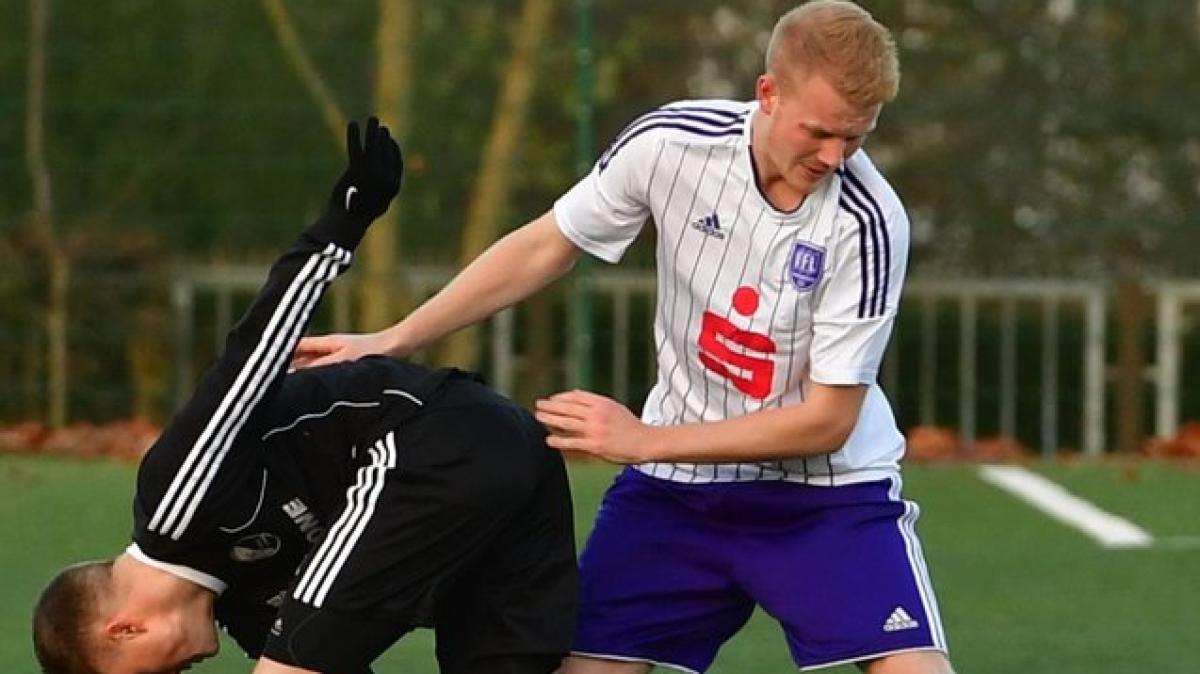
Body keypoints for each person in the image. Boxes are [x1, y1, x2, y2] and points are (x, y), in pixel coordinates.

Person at [295, 3, 954, 673]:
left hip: (823, 498)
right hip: (676, 494)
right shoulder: (670, 144)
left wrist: (643, 440)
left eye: (857, 137)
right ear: (768, 92)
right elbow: (547, 245)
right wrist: (401, 336)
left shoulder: (869, 224)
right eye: (820, 132)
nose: (836, 156)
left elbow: (826, 422)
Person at [31, 118, 577, 674]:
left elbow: (253, 359)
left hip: (434, 438)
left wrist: (344, 221)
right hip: (517, 464)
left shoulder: (174, 505)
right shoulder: (247, 608)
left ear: (124, 630)